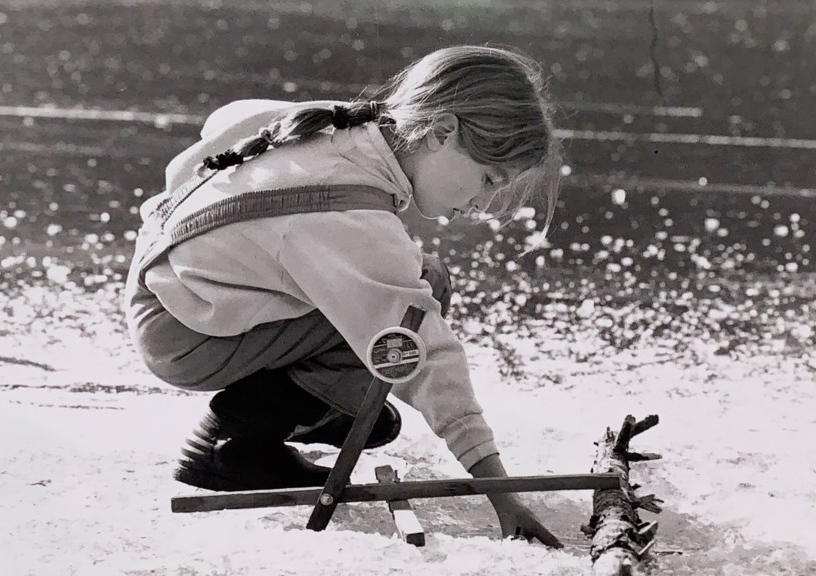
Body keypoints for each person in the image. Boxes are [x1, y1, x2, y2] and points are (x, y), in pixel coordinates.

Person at [124, 45, 564, 547]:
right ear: (442, 132)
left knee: (401, 304)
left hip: (167, 291)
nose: (483, 203)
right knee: (420, 298)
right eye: (489, 179)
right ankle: (235, 446)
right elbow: (427, 356)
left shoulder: (329, 127)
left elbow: (226, 121)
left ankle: (310, 408)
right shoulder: (348, 217)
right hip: (189, 332)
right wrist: (502, 495)